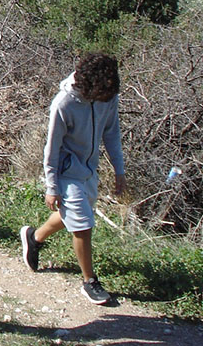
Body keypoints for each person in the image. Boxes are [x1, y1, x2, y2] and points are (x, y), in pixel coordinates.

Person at [20, 52, 126, 306]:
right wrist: (52, 186)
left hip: (89, 169)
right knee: (82, 225)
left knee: (75, 214)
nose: (107, 97)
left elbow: (111, 133)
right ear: (89, 85)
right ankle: (89, 281)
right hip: (67, 171)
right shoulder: (63, 104)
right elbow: (52, 148)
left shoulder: (107, 97)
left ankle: (34, 238)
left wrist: (119, 171)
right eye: (103, 92)